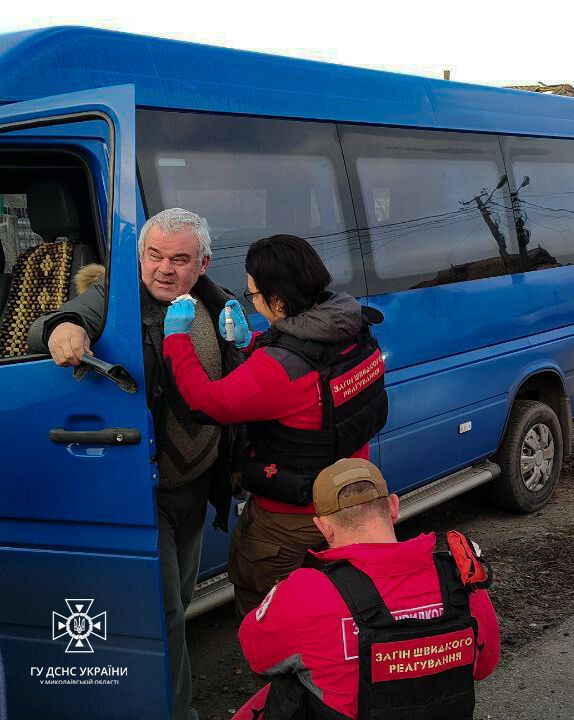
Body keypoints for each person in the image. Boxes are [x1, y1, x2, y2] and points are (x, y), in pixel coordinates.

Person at [28, 207, 243, 720]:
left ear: (203, 264)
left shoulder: (220, 303)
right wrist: (61, 329)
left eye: (180, 258)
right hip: (143, 487)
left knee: (180, 600)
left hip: (196, 483)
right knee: (162, 611)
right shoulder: (118, 299)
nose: (164, 268)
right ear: (140, 255)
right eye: (154, 255)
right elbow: (59, 321)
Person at [162, 234, 388, 618]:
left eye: (253, 295)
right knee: (340, 613)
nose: (253, 301)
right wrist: (253, 342)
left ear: (278, 300)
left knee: (270, 617)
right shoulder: (353, 329)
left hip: (290, 522)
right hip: (353, 503)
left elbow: (204, 403)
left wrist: (177, 338)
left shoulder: (277, 371)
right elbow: (302, 375)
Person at [232, 458, 501, 720]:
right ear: (394, 507)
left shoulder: (304, 593)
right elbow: (485, 666)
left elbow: (258, 656)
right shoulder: (460, 576)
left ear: (323, 527)